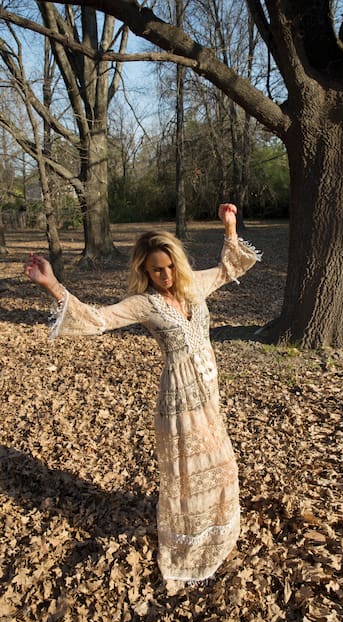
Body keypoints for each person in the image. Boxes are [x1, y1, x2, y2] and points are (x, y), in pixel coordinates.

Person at [24, 204, 261, 588]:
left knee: (222, 467)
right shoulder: (143, 304)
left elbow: (230, 268)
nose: (165, 275)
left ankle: (218, 530)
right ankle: (190, 543)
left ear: (176, 263)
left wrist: (230, 227)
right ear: (144, 271)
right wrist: (51, 285)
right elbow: (98, 319)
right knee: (190, 474)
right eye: (156, 269)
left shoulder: (194, 285)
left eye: (168, 266)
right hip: (179, 396)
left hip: (208, 390)